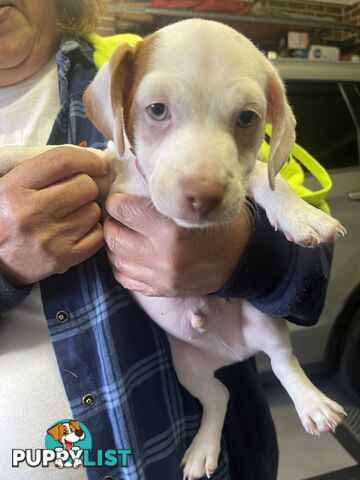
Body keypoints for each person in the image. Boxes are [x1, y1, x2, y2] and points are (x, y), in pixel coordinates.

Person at [0, 1, 333, 479]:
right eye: (156, 110)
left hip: (172, 444)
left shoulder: (153, 59)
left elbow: (313, 268)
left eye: (244, 120)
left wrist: (244, 254)